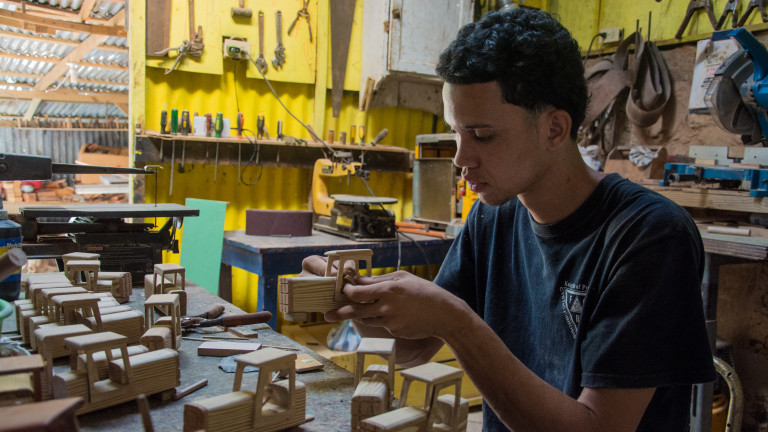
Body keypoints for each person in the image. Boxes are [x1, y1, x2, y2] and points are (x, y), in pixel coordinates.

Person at [301, 7, 715, 432]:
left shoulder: (649, 236)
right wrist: (352, 300)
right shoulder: (493, 215)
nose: (461, 158)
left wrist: (457, 323)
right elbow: (413, 347)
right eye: (457, 132)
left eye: (483, 135)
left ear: (554, 129)